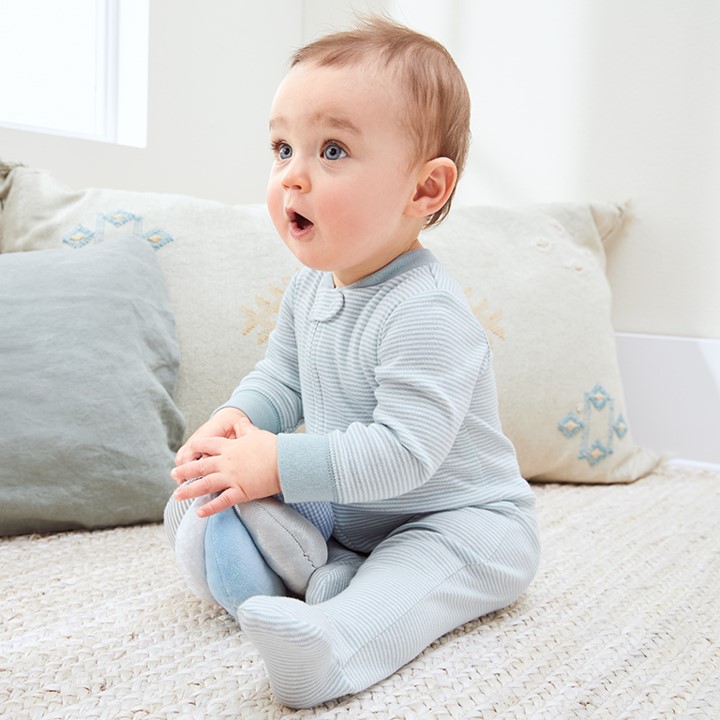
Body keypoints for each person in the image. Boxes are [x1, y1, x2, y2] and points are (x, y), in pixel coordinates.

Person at [167, 15, 540, 709]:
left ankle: (333, 648)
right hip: (358, 514)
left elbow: (404, 454)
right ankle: (328, 575)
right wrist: (235, 420)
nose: (292, 176)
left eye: (332, 150)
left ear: (424, 191)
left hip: (464, 521)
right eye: (283, 148)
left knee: (416, 571)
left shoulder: (426, 312)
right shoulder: (311, 287)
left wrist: (277, 461)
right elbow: (282, 378)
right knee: (223, 492)